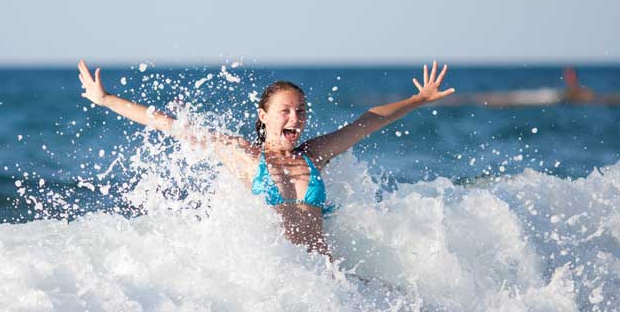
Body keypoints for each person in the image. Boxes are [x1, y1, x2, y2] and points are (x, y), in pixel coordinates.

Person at [78, 60, 455, 257]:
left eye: (302, 111)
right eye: (286, 111)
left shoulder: (314, 156)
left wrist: (418, 100)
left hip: (324, 278)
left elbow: (368, 121)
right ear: (264, 116)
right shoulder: (243, 155)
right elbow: (170, 125)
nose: (297, 119)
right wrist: (105, 99)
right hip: (279, 289)